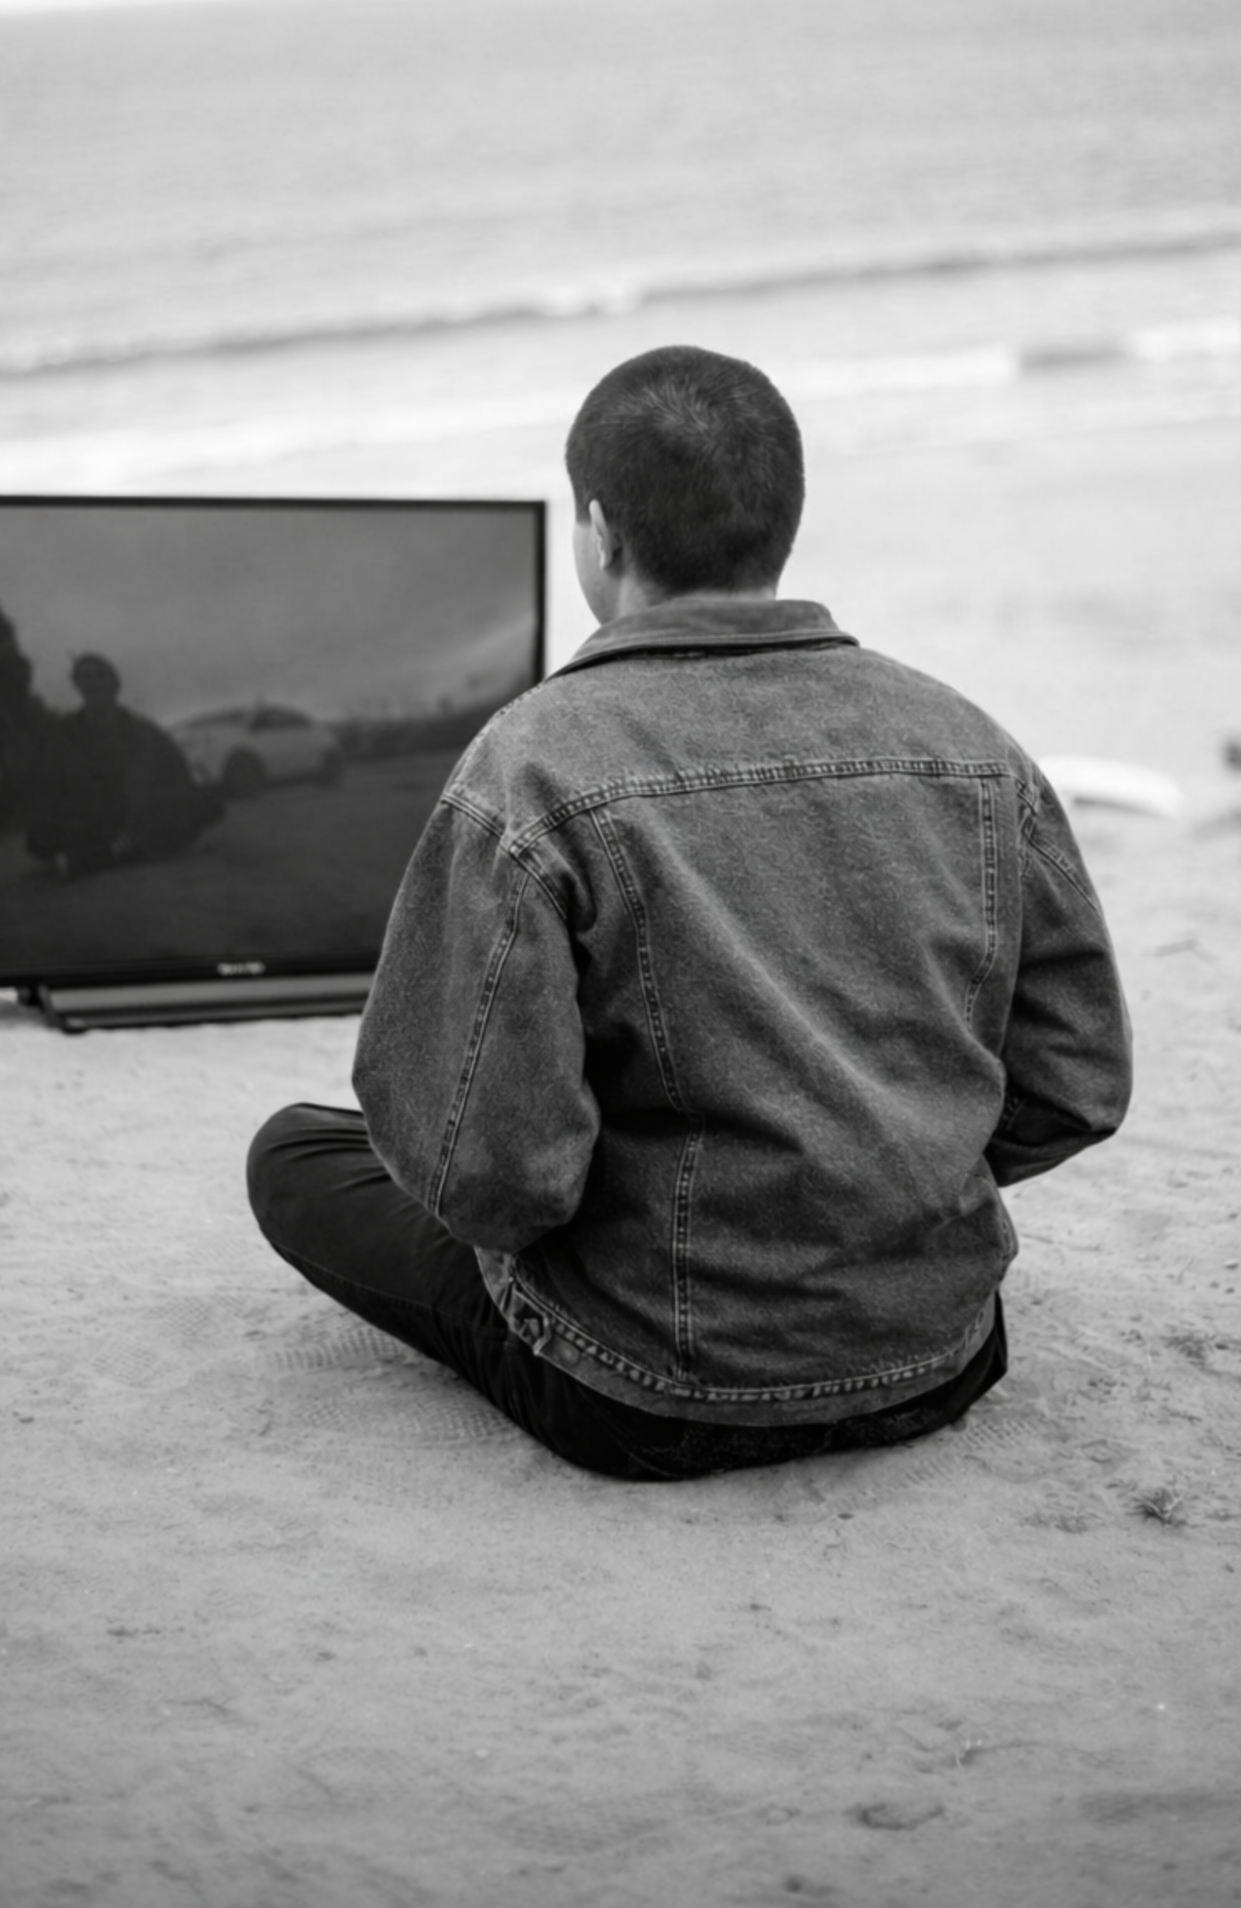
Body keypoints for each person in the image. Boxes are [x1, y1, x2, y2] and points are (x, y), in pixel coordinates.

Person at [247, 346, 1132, 1482]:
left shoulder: (532, 764)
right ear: (783, 520)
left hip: (651, 1388)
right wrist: (889, 1178)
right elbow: (1077, 1080)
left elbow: (496, 1180)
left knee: (295, 1152)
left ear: (600, 533)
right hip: (939, 1355)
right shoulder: (968, 741)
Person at [24, 653, 222, 879]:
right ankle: (126, 850)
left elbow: (180, 778)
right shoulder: (60, 734)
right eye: (86, 677)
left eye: (101, 676)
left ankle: (97, 857)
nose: (94, 683)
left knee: (206, 802)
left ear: (115, 684)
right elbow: (46, 787)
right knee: (39, 836)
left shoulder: (146, 731)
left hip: (139, 816)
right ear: (78, 685)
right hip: (91, 820)